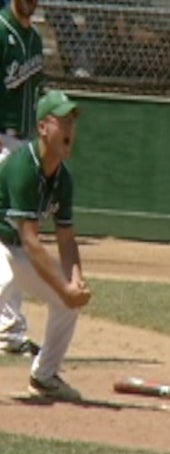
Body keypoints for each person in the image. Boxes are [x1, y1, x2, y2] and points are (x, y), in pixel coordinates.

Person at [0, 90, 91, 400]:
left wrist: (74, 280)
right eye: (63, 121)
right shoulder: (23, 166)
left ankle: (45, 375)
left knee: (68, 303)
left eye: (73, 122)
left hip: (18, 250)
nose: (70, 129)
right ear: (42, 128)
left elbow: (66, 238)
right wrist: (65, 286)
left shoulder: (63, 179)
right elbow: (31, 239)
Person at [0, 0, 44, 356]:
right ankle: (9, 327)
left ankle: (10, 326)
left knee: (14, 235)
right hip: (1, 140)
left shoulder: (35, 40)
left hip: (25, 141)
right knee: (9, 235)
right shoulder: (1, 31)